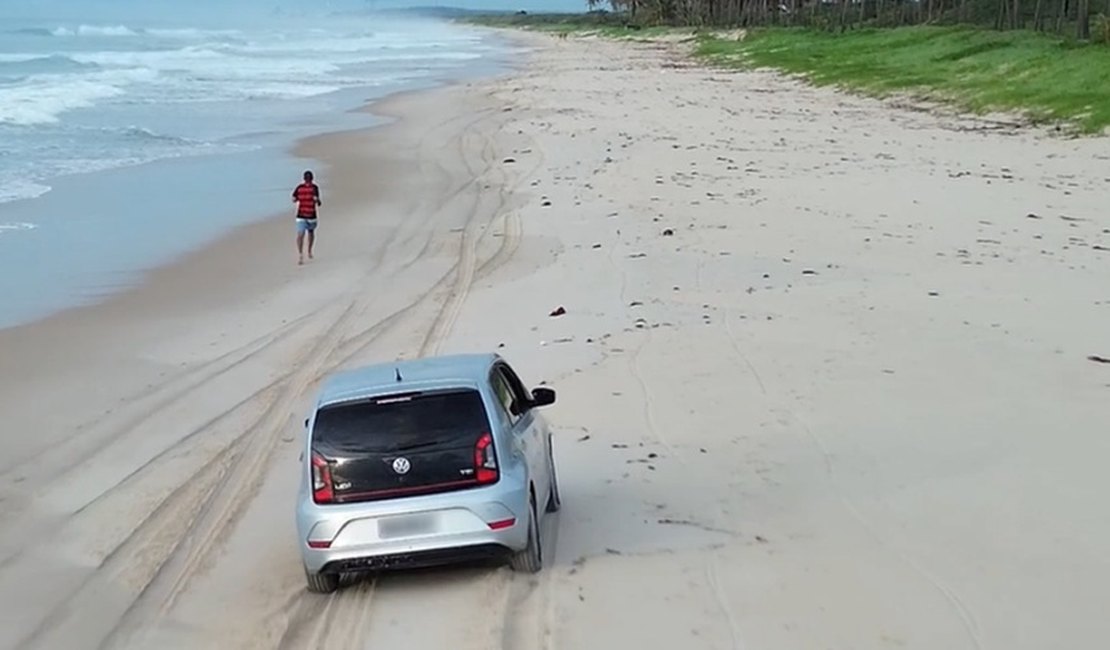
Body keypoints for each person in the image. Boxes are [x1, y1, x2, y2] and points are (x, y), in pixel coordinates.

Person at [292, 170, 321, 265]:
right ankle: (305, 252)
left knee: (305, 233)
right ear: (312, 178)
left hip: (306, 214)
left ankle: (305, 252)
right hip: (306, 215)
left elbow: (293, 198)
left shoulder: (302, 188)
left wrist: (299, 199)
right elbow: (318, 201)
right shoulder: (312, 188)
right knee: (306, 233)